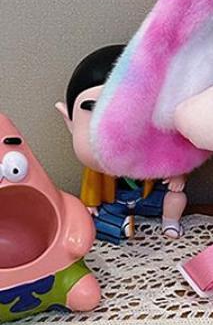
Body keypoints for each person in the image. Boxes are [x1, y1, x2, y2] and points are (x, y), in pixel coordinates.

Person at [56, 45, 187, 242]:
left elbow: (172, 164)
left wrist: (177, 175)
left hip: (150, 198)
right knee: (87, 218)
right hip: (115, 202)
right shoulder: (96, 170)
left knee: (175, 197)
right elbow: (90, 191)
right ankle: (122, 225)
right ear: (69, 122)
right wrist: (89, 205)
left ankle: (170, 222)